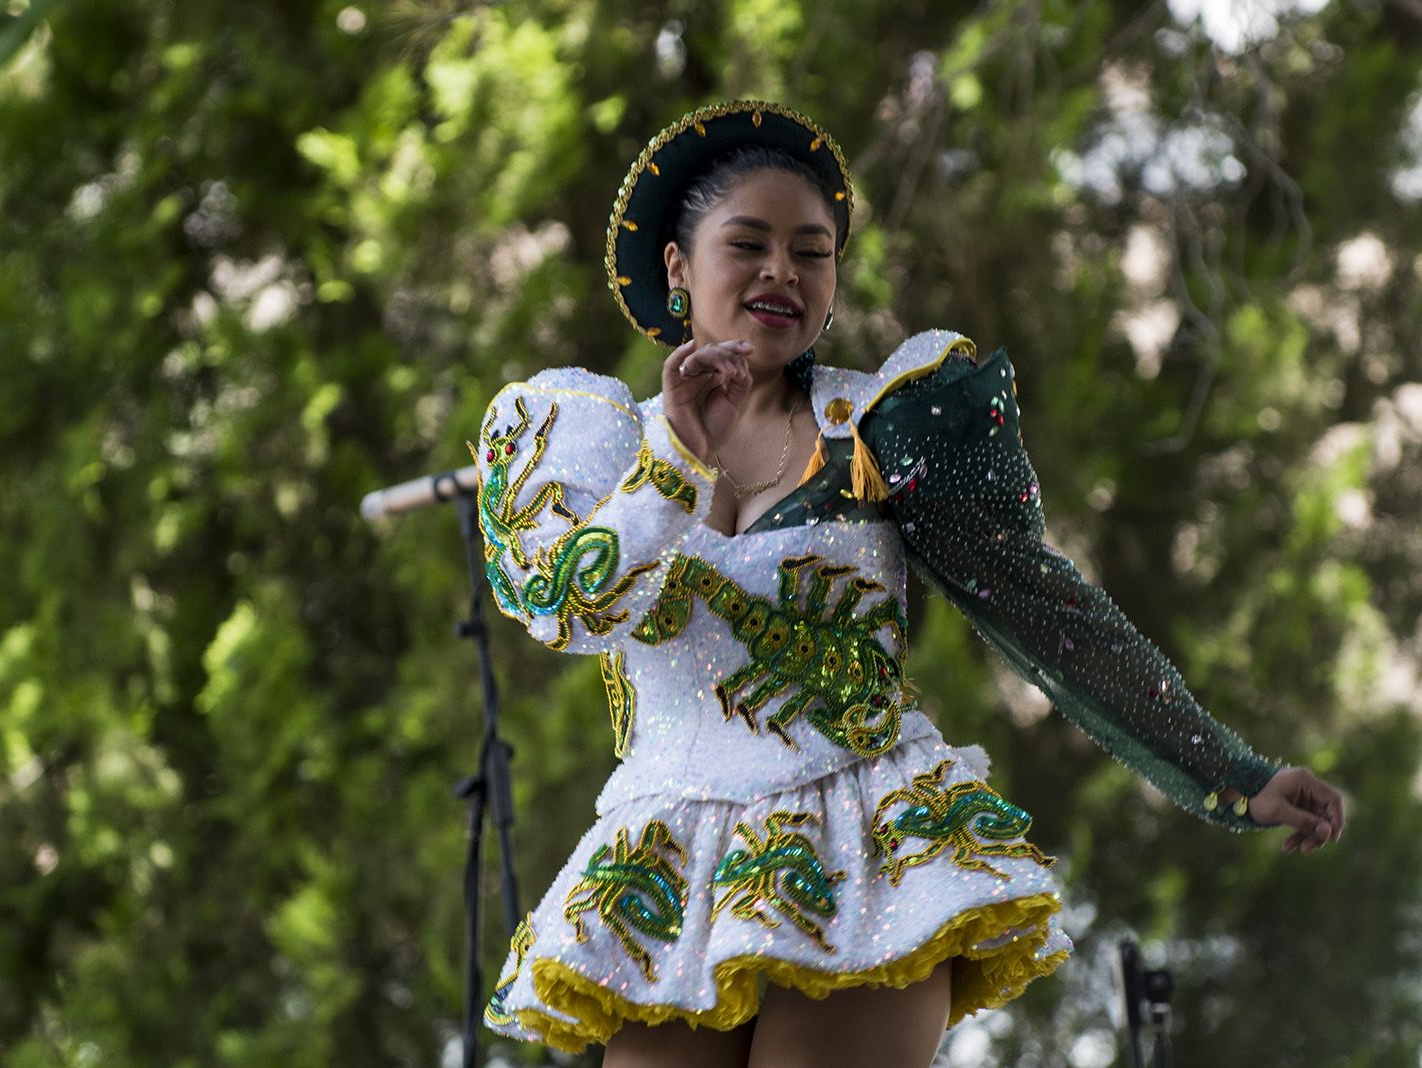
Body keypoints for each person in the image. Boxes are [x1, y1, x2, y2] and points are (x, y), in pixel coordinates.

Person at [473, 100, 1345, 1068]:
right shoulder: (587, 442)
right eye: (748, 244)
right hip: (670, 869)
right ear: (677, 267)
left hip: (861, 848)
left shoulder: (886, 424)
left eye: (812, 251)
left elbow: (1044, 613)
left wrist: (1231, 774)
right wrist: (675, 458)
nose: (781, 272)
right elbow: (564, 609)